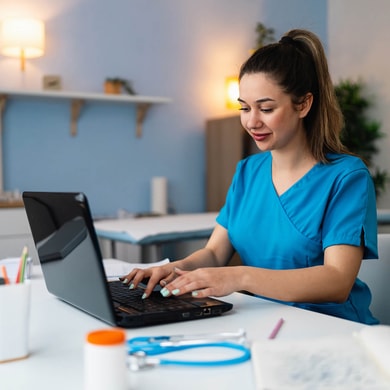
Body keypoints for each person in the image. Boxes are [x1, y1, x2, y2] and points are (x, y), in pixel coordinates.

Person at [121, 29, 379, 324]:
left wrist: (240, 276)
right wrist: (176, 269)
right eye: (244, 107)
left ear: (304, 104)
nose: (252, 121)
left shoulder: (346, 177)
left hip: (332, 328)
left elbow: (337, 281)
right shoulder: (248, 171)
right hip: (263, 322)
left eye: (266, 108)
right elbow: (215, 254)